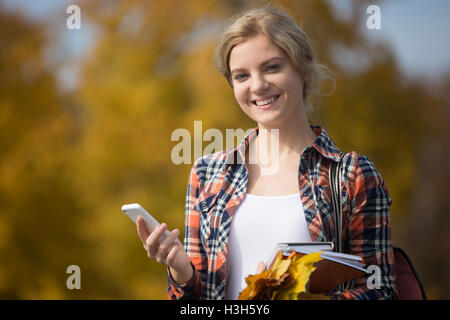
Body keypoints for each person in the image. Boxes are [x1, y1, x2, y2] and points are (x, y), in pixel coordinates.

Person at [135, 5, 397, 300]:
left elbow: (381, 290)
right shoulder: (207, 173)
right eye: (242, 76)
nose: (257, 86)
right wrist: (181, 273)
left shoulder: (352, 175)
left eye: (272, 67)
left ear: (303, 69)